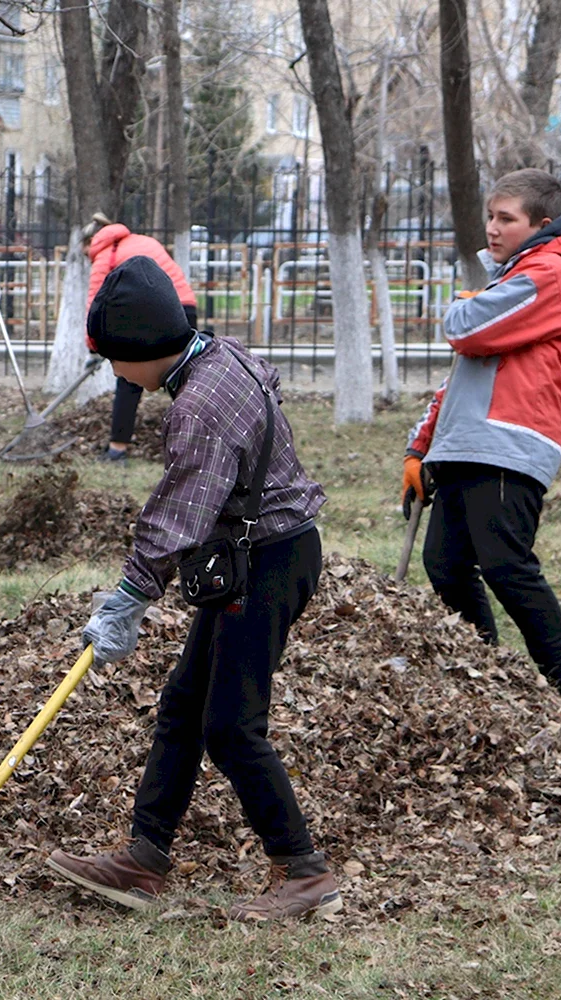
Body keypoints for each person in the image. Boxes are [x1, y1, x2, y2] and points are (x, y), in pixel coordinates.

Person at [46, 256, 340, 922]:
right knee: (183, 706)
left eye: (115, 360)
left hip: (269, 560)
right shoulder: (219, 358)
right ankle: (144, 858)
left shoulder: (199, 407)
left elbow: (179, 512)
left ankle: (305, 871)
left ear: (141, 349)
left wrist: (129, 597)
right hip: (254, 551)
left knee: (231, 725)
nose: (117, 373)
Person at [404, 168, 561, 705]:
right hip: (465, 444)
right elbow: (463, 374)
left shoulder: (549, 274)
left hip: (509, 444)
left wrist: (467, 305)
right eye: (490, 215)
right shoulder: (512, 278)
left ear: (540, 223)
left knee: (507, 566)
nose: (492, 227)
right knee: (444, 566)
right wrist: (420, 448)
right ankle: (485, 677)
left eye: (505, 218)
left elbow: (464, 329)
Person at [82, 214, 198, 464]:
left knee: (129, 374)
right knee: (188, 380)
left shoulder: (104, 252)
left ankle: (117, 450)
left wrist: (94, 348)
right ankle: (200, 441)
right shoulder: (140, 240)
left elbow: (95, 302)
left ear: (91, 240)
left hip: (156, 310)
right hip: (183, 308)